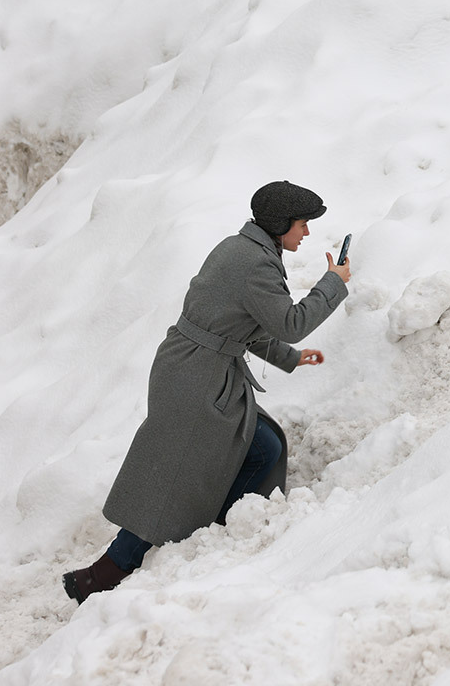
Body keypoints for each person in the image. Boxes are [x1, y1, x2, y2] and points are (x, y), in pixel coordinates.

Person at [62, 180, 352, 603]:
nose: (306, 233)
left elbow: (243, 325)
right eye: (302, 223)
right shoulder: (256, 264)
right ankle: (102, 574)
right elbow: (290, 322)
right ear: (280, 224)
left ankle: (216, 530)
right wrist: (333, 282)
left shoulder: (242, 249)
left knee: (261, 446)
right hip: (197, 378)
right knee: (171, 476)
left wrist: (292, 359)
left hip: (195, 368)